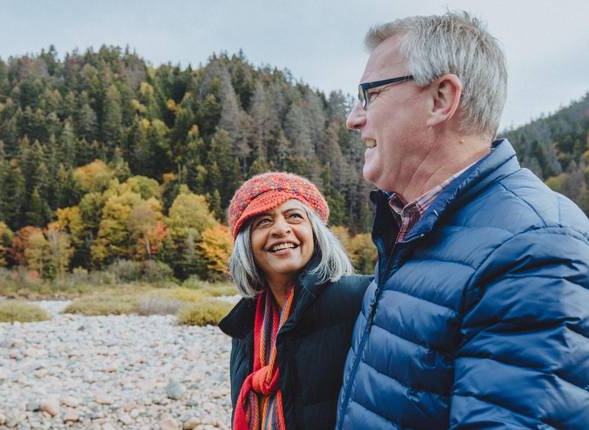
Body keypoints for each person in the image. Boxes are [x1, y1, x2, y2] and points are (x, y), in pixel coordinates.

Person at [336, 11, 589, 429]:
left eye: (370, 94)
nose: (353, 118)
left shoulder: (537, 247)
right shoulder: (410, 229)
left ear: (441, 100)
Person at [218, 172, 372, 430]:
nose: (280, 229)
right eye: (264, 222)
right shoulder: (244, 327)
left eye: (295, 216)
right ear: (246, 245)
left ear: (315, 232)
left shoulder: (360, 299)